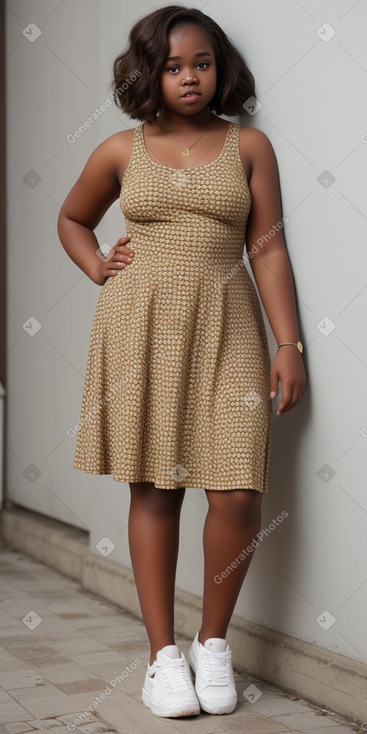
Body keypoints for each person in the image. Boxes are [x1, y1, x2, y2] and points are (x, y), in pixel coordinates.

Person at [57, 4, 306, 719]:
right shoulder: (117, 150)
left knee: (234, 491)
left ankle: (212, 644)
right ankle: (162, 657)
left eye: (201, 62)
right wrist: (97, 264)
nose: (189, 77)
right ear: (148, 74)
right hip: (138, 327)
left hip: (228, 327)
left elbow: (268, 249)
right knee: (156, 489)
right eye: (172, 66)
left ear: (219, 68)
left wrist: (288, 344)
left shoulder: (248, 147)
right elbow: (72, 218)